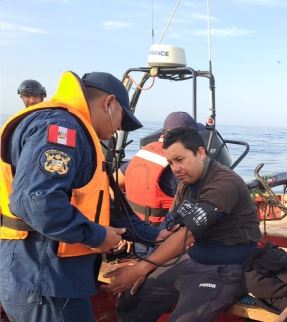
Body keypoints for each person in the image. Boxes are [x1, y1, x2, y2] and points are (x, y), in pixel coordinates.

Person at [0, 71, 166, 322]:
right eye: (122, 121)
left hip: (50, 279)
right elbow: (36, 201)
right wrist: (97, 236)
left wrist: (154, 235)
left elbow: (97, 205)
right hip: (44, 279)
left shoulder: (74, 128)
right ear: (109, 103)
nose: (118, 130)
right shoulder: (60, 128)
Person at [103, 128, 262, 322]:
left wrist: (141, 268)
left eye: (180, 159)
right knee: (131, 300)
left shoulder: (224, 182)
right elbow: (171, 228)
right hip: (193, 259)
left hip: (227, 268)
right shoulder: (185, 183)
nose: (175, 168)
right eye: (170, 162)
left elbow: (186, 235)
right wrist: (148, 267)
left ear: (201, 153)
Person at [118, 111, 201, 226]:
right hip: (158, 234)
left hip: (132, 225)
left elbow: (114, 181)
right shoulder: (178, 166)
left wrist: (121, 215)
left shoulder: (143, 153)